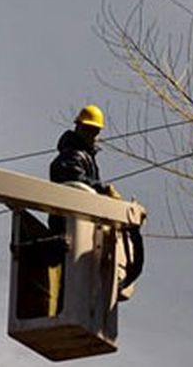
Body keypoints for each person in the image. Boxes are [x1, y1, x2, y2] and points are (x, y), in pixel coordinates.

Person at [47, 105, 143, 297]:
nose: (92, 135)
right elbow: (74, 181)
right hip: (68, 224)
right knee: (70, 278)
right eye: (89, 130)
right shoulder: (71, 155)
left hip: (79, 226)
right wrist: (103, 190)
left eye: (95, 131)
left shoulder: (84, 156)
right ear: (79, 128)